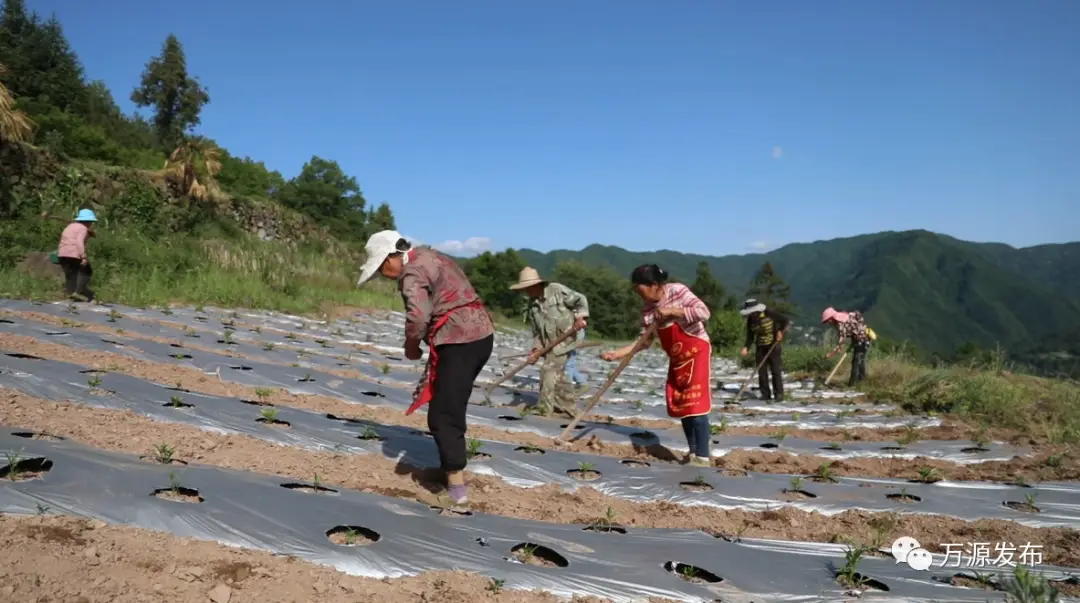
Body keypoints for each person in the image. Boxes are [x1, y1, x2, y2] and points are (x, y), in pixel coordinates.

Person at [356, 230, 495, 511]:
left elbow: (418, 317)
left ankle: (457, 496)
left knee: (444, 415)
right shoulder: (432, 257)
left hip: (460, 340)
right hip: (479, 336)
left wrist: (410, 345)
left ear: (390, 258)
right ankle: (450, 476)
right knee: (449, 406)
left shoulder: (412, 272)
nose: (384, 275)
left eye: (382, 269)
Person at [600, 264, 713, 466]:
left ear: (654, 285)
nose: (639, 295)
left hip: (697, 351)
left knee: (695, 402)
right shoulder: (647, 312)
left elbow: (703, 313)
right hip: (678, 358)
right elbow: (644, 341)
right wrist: (618, 354)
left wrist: (672, 311)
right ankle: (693, 452)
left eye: (640, 290)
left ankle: (703, 456)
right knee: (682, 403)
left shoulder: (677, 291)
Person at [508, 266, 589, 417]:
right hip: (549, 343)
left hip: (567, 338)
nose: (526, 291)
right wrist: (536, 350)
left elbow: (580, 300)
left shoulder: (556, 290)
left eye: (528, 288)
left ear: (536, 285)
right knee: (560, 377)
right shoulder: (532, 306)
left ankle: (545, 409)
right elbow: (537, 332)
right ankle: (569, 410)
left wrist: (580, 317)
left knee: (548, 369)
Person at [739, 298, 792, 401]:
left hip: (773, 345)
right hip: (760, 346)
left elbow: (785, 321)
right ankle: (765, 394)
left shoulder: (769, 313)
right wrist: (746, 347)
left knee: (775, 370)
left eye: (753, 312)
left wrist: (780, 331)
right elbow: (750, 336)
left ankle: (779, 394)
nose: (752, 315)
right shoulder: (750, 320)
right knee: (761, 371)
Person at [821, 307, 871, 385]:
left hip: (862, 341)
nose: (828, 322)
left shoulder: (840, 324)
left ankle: (853, 384)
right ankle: (862, 381)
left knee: (856, 362)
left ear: (832, 318)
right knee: (859, 361)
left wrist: (831, 354)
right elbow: (856, 320)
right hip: (860, 340)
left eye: (828, 320)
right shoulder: (845, 316)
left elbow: (841, 341)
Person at [56, 208, 98, 302]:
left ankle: (71, 295)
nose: (91, 224)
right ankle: (78, 292)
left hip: (62, 254)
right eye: (91, 222)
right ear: (88, 221)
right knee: (87, 271)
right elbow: (79, 242)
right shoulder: (83, 228)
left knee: (71, 276)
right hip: (73, 254)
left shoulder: (70, 226)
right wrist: (83, 257)